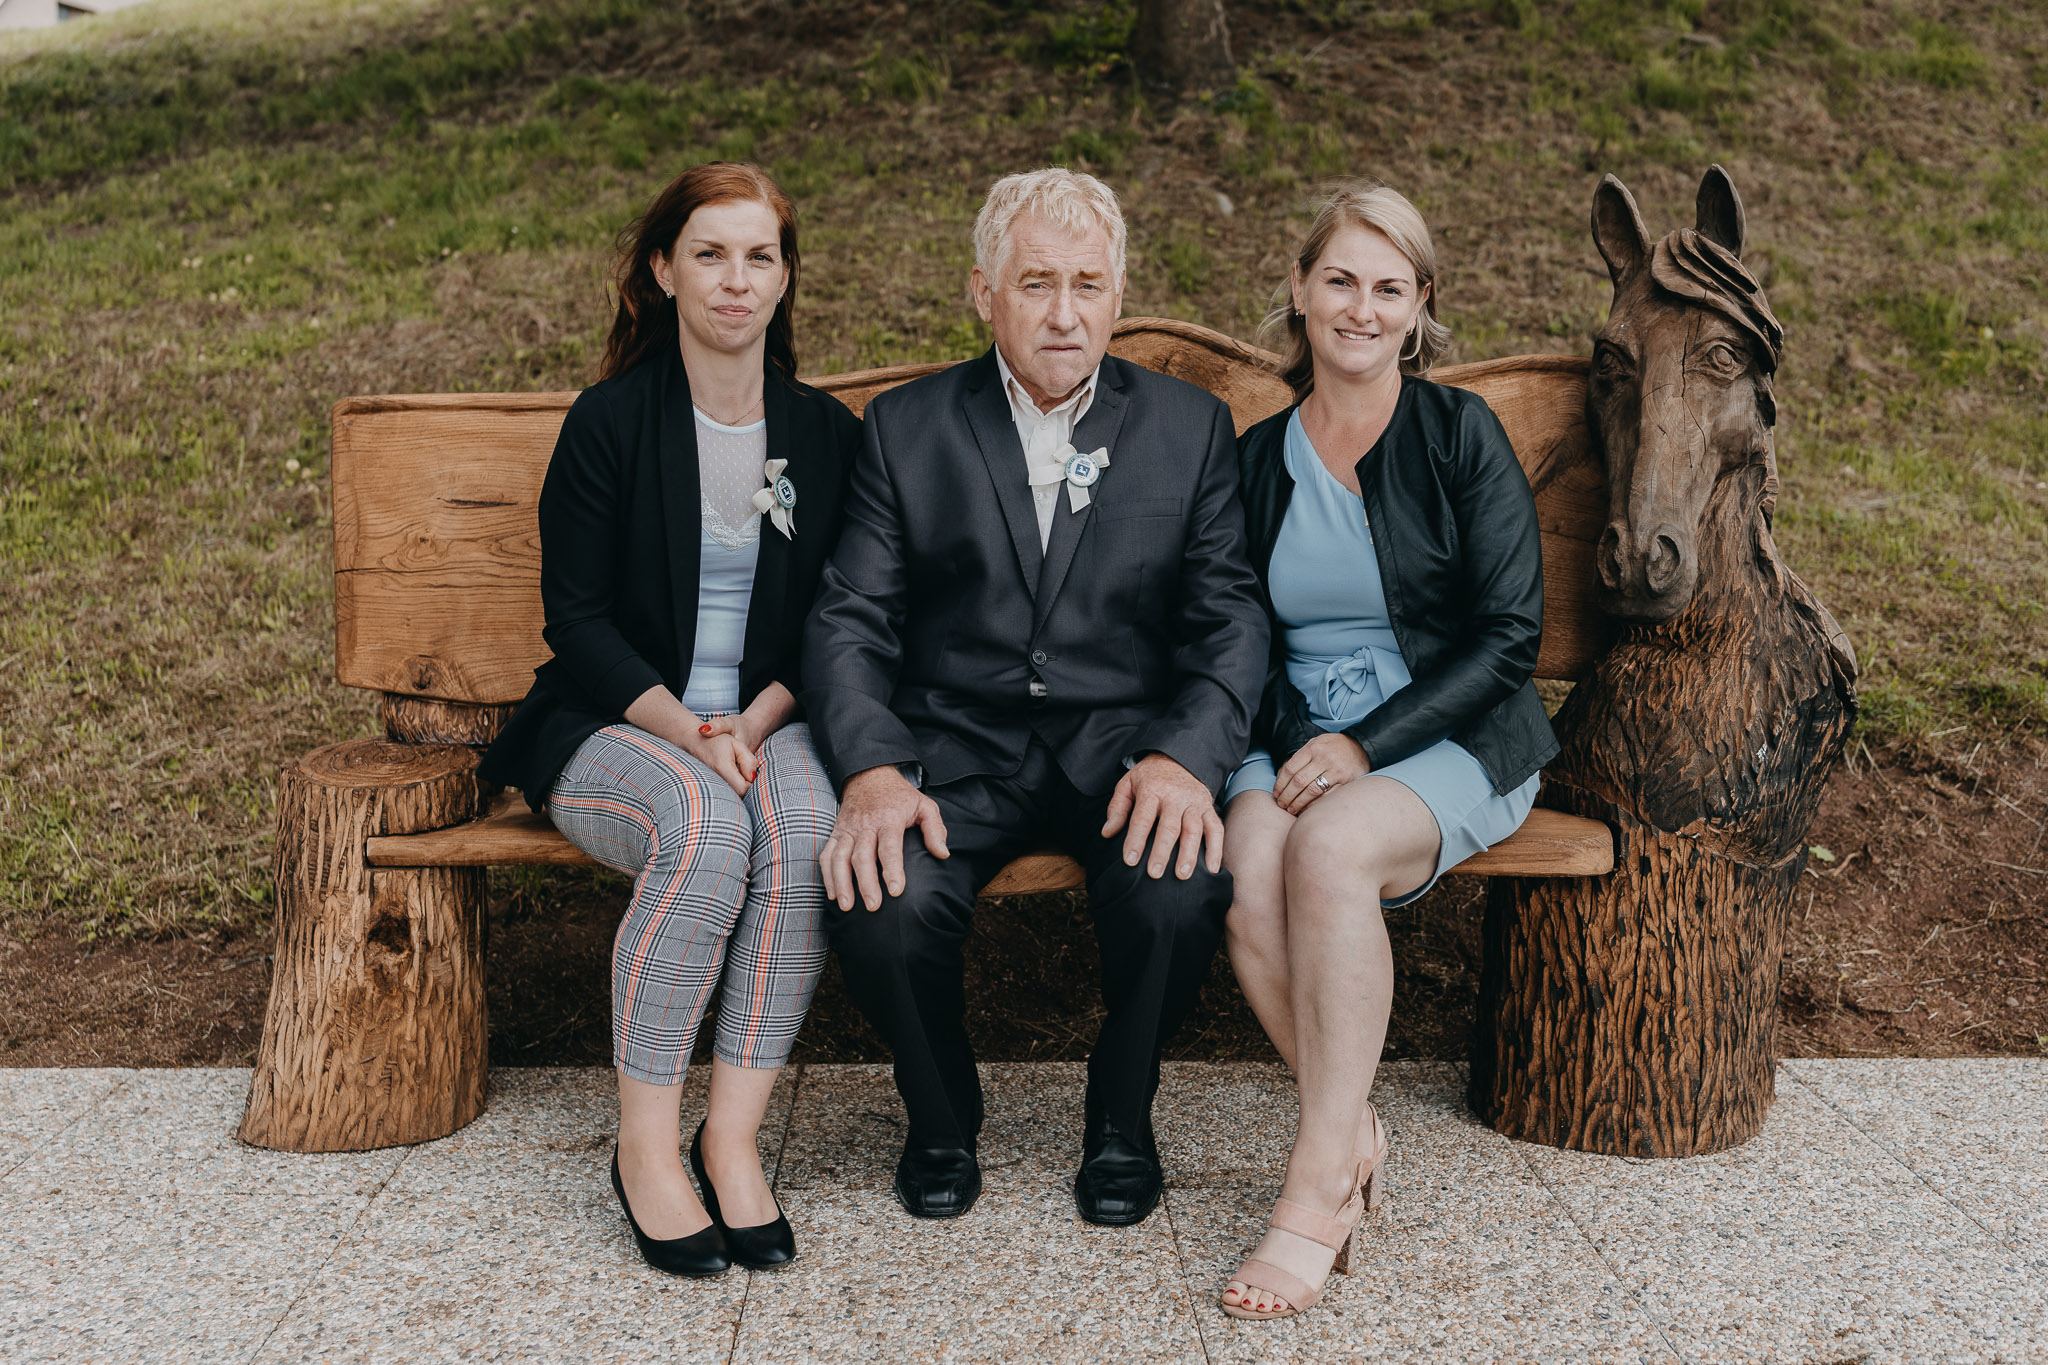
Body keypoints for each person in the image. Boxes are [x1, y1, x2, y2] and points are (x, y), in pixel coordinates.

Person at [802, 168, 1269, 1226]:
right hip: (955, 752)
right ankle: (938, 1116)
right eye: (1036, 283)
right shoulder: (907, 428)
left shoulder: (1189, 428)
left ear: (1118, 294)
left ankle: (1120, 1116)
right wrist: (872, 769)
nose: (1065, 313)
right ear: (983, 291)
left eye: (1088, 285)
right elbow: (849, 620)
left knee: (1181, 888)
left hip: (1122, 753)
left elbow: (1229, 621)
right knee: (879, 900)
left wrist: (1184, 759)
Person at [478, 162, 859, 1277]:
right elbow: (577, 620)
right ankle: (645, 1147)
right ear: (663, 270)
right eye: (709, 255)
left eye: (759, 256)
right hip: (617, 721)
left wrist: (753, 722)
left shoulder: (823, 435)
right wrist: (689, 732)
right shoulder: (609, 423)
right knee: (704, 827)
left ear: (784, 278)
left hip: (771, 718)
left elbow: (836, 618)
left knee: (801, 833)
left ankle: (729, 1140)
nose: (736, 280)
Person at [1216, 184, 1556, 1319]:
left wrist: (1363, 748)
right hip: (1295, 732)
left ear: (1419, 308)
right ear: (1300, 291)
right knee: (1246, 864)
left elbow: (1507, 636)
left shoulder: (1459, 435)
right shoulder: (1257, 460)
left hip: (1449, 732)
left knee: (1328, 850)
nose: (1361, 308)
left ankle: (1317, 1189)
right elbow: (1238, 636)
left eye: (1388, 288)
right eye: (1340, 280)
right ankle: (1352, 1124)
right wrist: (1299, 747)